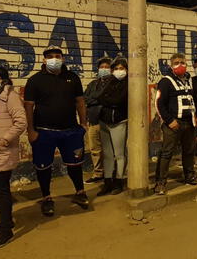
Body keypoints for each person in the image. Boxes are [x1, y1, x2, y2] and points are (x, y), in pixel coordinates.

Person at [24, 45, 89, 216]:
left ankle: (80, 192)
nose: (54, 59)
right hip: (44, 132)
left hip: (71, 131)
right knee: (43, 166)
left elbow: (80, 102)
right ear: (44, 60)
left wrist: (83, 124)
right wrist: (30, 130)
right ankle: (46, 198)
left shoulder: (72, 77)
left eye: (57, 56)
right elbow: (29, 107)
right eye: (50, 56)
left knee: (75, 164)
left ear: (63, 59)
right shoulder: (35, 80)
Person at [0, 67, 27, 248]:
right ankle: (5, 222)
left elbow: (21, 122)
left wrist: (3, 140)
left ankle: (6, 231)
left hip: (3, 149)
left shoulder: (11, 97)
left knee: (1, 190)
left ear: (4, 80)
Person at [154, 53, 197, 195]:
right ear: (171, 65)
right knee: (166, 153)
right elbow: (159, 103)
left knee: (189, 151)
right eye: (176, 63)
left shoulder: (190, 80)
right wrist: (169, 120)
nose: (180, 65)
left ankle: (190, 176)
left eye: (182, 62)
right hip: (173, 124)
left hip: (190, 122)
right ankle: (160, 183)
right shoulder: (166, 81)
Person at [96, 57, 128, 196]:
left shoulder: (129, 84)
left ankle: (119, 181)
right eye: (116, 69)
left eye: (121, 68)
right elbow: (99, 97)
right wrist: (110, 101)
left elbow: (118, 101)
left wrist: (109, 101)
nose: (118, 71)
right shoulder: (110, 82)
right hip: (104, 122)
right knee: (108, 154)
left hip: (119, 122)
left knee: (119, 154)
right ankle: (107, 182)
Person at [83, 57, 112, 184]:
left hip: (108, 122)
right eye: (102, 67)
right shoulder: (93, 84)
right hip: (93, 121)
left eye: (107, 67)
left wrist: (95, 99)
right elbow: (85, 99)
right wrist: (98, 98)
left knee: (109, 149)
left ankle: (111, 174)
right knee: (95, 149)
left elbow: (108, 99)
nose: (104, 69)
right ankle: (98, 173)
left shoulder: (114, 84)